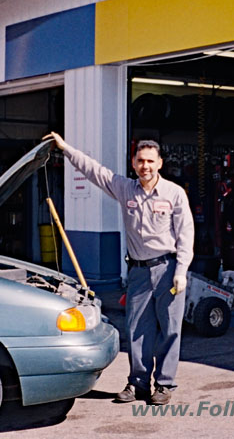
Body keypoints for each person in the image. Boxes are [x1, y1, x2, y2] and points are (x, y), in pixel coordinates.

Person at [43, 132, 194, 405]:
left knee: (170, 328)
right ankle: (138, 383)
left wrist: (181, 270)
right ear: (133, 163)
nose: (145, 166)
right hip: (138, 271)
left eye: (150, 161)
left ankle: (164, 384)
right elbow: (94, 171)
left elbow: (186, 234)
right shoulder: (125, 188)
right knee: (136, 328)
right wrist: (65, 148)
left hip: (167, 270)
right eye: (140, 161)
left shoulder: (174, 194)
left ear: (160, 163)